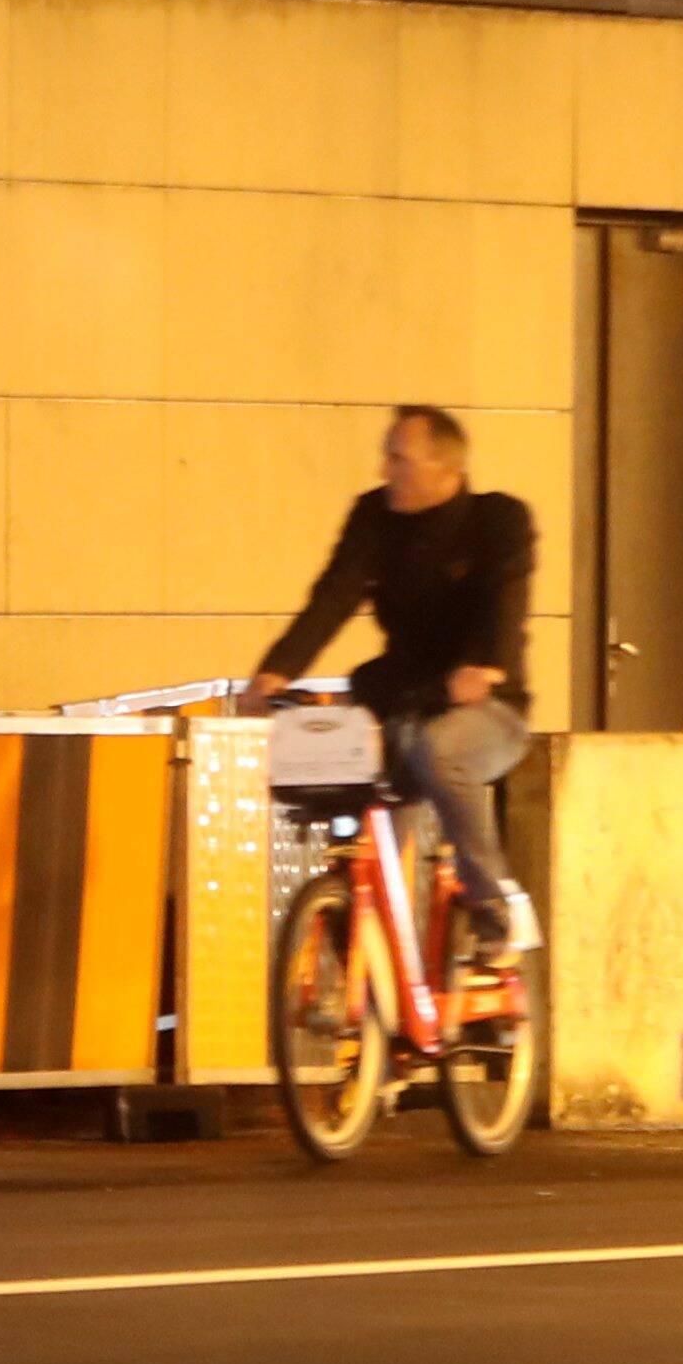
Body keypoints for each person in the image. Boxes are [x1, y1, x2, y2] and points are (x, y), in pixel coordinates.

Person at [243, 402, 541, 952]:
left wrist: (485, 668)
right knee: (344, 772)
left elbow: (507, 600)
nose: (385, 471)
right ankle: (362, 935)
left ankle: (497, 904)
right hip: (402, 698)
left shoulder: (497, 522)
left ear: (446, 470)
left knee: (439, 749)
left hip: (486, 708)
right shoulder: (373, 518)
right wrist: (275, 672)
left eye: (399, 459)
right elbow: (332, 598)